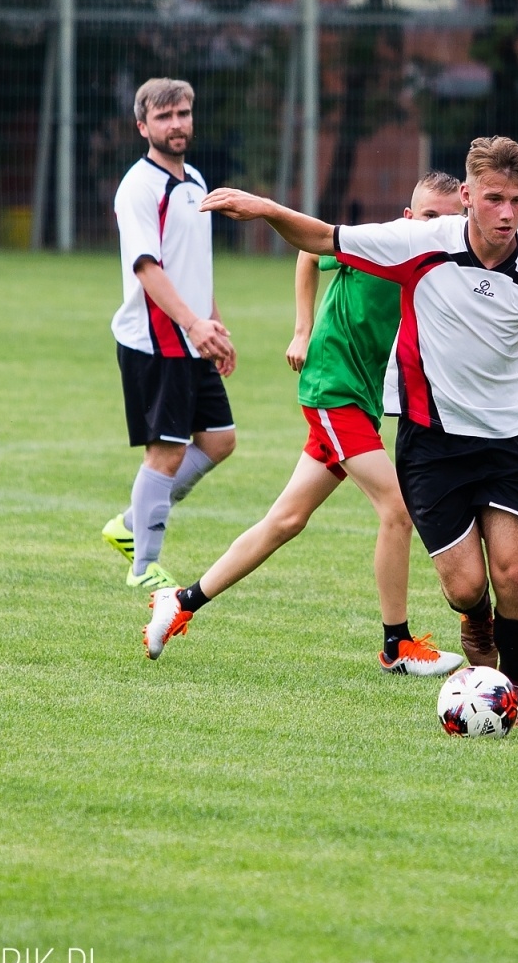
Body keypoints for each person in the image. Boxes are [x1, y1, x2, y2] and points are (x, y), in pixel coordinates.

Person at [197, 136, 518, 726]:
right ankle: (476, 622)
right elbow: (323, 239)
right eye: (494, 198)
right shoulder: (424, 243)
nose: (506, 213)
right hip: (431, 442)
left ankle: (516, 697)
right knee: (466, 588)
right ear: (467, 195)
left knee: (515, 574)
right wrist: (265, 208)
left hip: (509, 441)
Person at [141, 172, 467, 670]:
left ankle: (182, 601)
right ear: (407, 217)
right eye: (428, 217)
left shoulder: (446, 269)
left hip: (360, 401)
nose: (436, 228)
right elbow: (310, 251)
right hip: (332, 388)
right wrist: (302, 328)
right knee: (397, 508)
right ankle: (397, 647)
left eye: (449, 220)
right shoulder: (380, 245)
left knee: (286, 520)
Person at [102, 78, 236, 591]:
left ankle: (131, 523)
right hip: (157, 340)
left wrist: (214, 325)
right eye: (164, 117)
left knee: (219, 441)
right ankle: (143, 568)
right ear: (143, 126)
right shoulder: (139, 187)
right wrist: (193, 324)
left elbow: (194, 265)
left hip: (193, 336)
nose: (176, 124)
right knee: (166, 452)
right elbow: (147, 268)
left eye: (183, 113)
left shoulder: (196, 181)